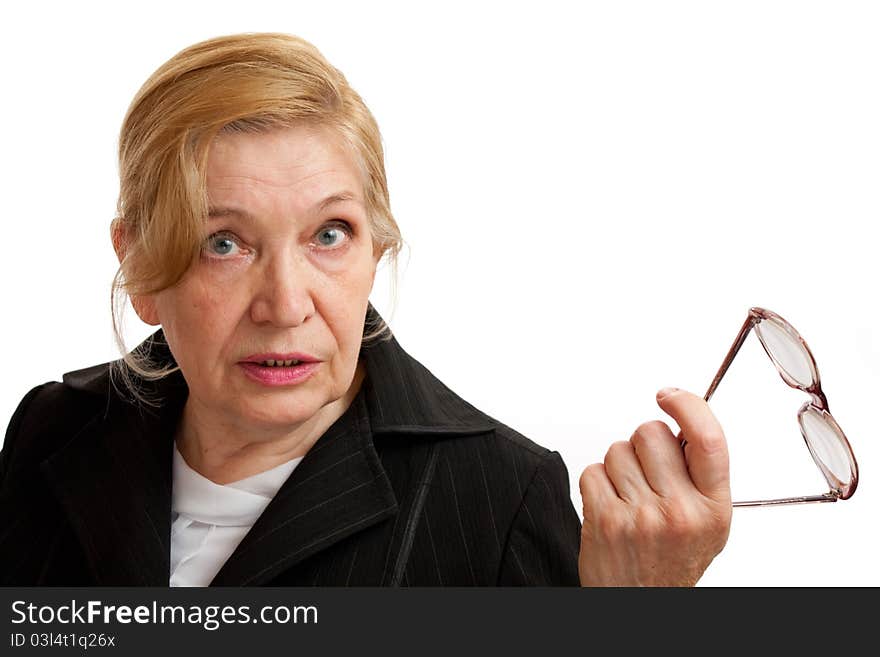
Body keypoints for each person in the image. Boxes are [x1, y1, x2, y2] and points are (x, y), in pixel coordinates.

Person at [0, 33, 731, 587]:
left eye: (329, 234)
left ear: (375, 249)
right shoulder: (50, 432)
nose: (286, 305)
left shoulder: (498, 502)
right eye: (223, 242)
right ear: (139, 267)